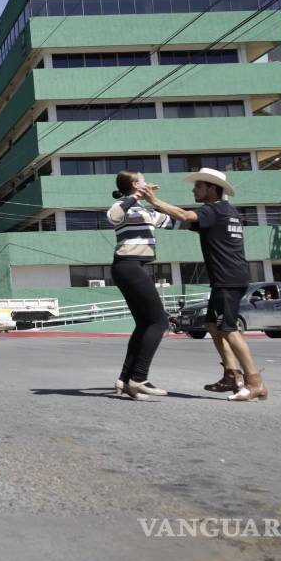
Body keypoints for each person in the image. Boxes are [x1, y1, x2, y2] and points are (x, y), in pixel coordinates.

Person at [137, 168, 268, 402]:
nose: (194, 189)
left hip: (228, 279)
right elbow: (184, 222)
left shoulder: (213, 210)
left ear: (211, 188)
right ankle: (231, 374)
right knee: (211, 324)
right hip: (227, 278)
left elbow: (186, 217)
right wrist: (152, 212)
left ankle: (255, 382)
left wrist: (153, 200)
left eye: (198, 186)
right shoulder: (226, 211)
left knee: (229, 330)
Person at [106, 171, 177, 400]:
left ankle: (125, 379)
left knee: (144, 323)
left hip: (136, 267)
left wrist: (155, 202)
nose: (147, 183)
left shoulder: (147, 211)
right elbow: (112, 218)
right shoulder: (123, 206)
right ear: (135, 184)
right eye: (143, 180)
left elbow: (176, 222)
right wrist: (136, 197)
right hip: (127, 265)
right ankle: (139, 378)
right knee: (160, 322)